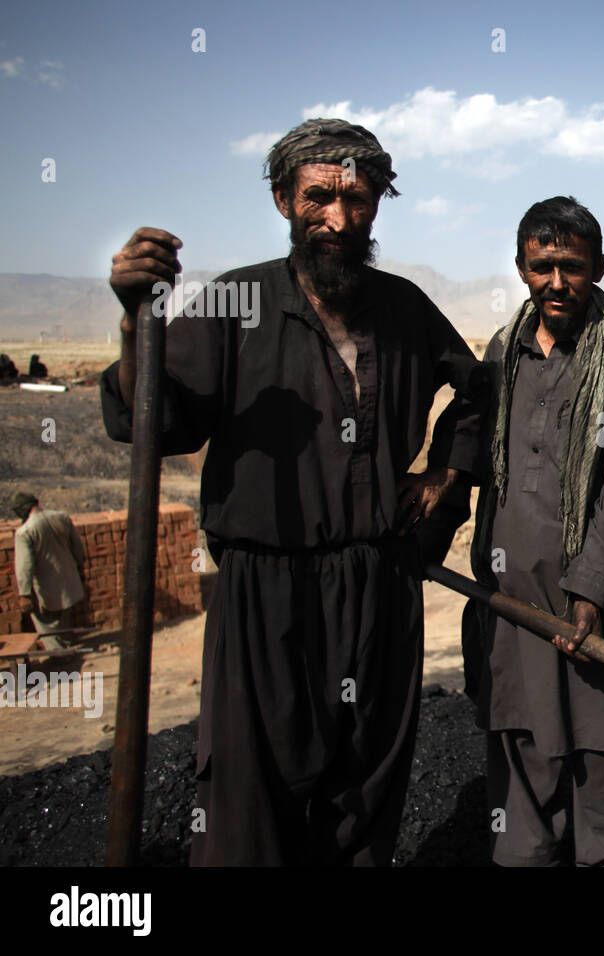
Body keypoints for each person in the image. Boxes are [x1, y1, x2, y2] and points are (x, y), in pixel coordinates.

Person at [99, 118, 485, 866]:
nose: (339, 219)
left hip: (378, 584)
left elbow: (478, 392)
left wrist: (443, 469)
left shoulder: (404, 309)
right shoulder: (234, 302)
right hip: (262, 592)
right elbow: (154, 422)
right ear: (283, 200)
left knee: (365, 793)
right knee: (249, 798)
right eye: (319, 197)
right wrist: (133, 320)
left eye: (359, 199)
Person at [461, 197, 604, 866]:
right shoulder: (501, 353)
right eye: (541, 265)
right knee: (522, 823)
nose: (556, 281)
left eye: (571, 267)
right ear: (521, 267)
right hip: (512, 612)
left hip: (592, 616)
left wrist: (590, 590)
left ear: (598, 268)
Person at [11, 491, 85, 635]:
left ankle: (58, 652)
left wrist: (25, 594)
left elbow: (25, 566)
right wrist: (80, 570)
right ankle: (66, 646)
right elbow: (78, 548)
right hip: (71, 582)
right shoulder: (62, 517)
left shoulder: (24, 532)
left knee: (44, 623)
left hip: (48, 590)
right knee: (64, 619)